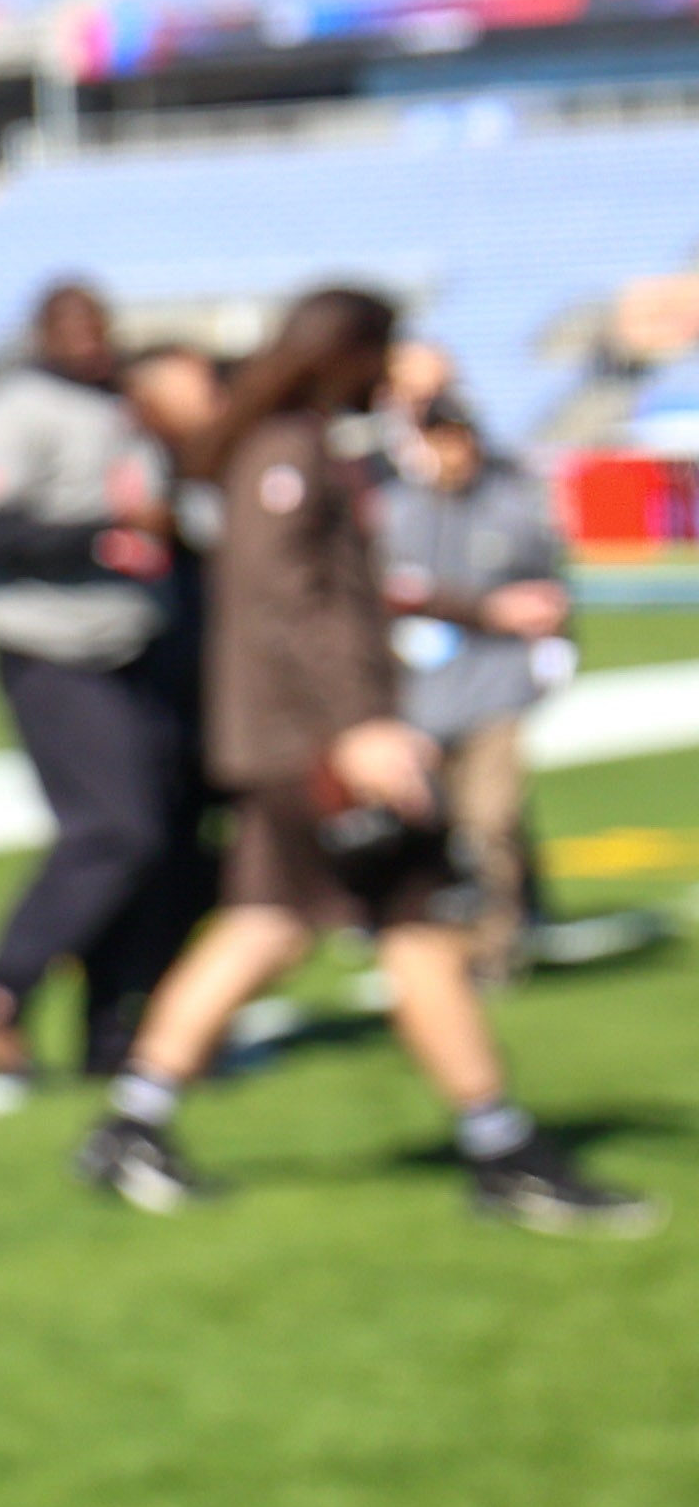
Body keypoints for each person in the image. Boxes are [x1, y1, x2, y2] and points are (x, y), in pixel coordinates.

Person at [77, 288, 650, 1233]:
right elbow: (290, 605)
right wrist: (359, 729)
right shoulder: (286, 455)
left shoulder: (293, 451)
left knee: (265, 925)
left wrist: (478, 613)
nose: (391, 379)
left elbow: (356, 590)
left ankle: (134, 1121)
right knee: (416, 928)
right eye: (383, 357)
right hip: (315, 746)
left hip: (297, 740)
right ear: (344, 356)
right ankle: (502, 1148)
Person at [0, 285, 209, 1079]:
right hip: (54, 645)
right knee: (115, 831)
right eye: (72, 331)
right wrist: (105, 536)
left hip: (138, 643)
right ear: (44, 335)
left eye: (98, 329)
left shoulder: (124, 404)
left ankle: (113, 1029)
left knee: (165, 847)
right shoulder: (16, 409)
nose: (89, 343)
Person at [382, 396, 564, 993]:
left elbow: (550, 595)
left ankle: (495, 949)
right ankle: (430, 944)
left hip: (493, 688)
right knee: (428, 830)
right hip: (417, 697)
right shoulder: (394, 513)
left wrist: (548, 651)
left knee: (490, 821)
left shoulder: (511, 508)